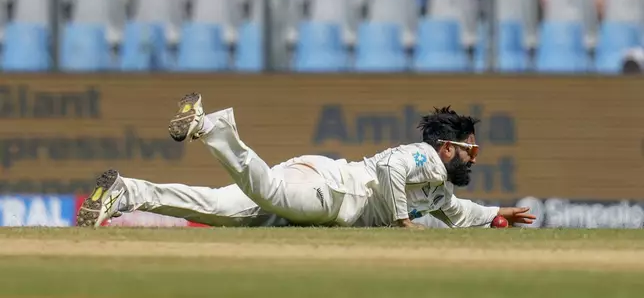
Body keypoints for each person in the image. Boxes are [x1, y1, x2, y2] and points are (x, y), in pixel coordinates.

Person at [77, 94, 536, 229]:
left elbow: (459, 214)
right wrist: (401, 221)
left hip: (321, 193)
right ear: (448, 147)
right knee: (267, 192)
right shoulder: (425, 158)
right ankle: (215, 128)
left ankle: (126, 191)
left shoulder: (440, 188)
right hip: (334, 192)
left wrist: (496, 213)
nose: (475, 157)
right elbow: (394, 168)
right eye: (471, 149)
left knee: (217, 208)